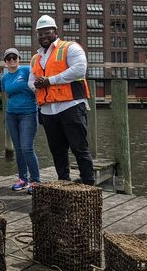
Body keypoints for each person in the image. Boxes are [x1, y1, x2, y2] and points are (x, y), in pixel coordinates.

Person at [29, 15, 94, 185]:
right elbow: (31, 81)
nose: (43, 36)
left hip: (71, 105)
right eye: (40, 34)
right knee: (57, 150)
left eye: (47, 32)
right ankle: (63, 182)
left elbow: (80, 69)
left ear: (55, 31)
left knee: (79, 147)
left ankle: (88, 184)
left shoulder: (70, 48)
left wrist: (50, 81)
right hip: (48, 110)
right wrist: (36, 85)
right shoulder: (36, 58)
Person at [1, 48, 41, 194]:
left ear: (19, 58)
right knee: (18, 148)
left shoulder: (26, 70)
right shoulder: (4, 78)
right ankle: (23, 179)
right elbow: (7, 95)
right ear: (5, 61)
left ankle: (35, 181)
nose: (12, 60)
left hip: (28, 113)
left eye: (14, 57)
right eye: (8, 58)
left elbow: (36, 88)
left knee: (27, 147)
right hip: (11, 115)